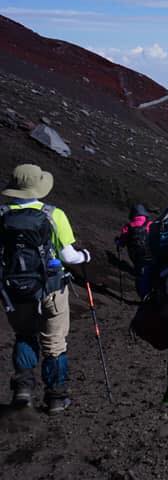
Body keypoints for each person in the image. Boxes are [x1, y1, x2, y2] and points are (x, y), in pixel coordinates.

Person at [0, 164, 92, 412]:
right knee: (54, 343)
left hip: (15, 292)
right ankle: (56, 397)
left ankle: (23, 390)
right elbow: (69, 257)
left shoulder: (2, 215)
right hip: (51, 290)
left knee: (24, 335)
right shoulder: (54, 214)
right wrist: (85, 256)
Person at [115, 203, 153, 298]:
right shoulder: (149, 224)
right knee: (150, 272)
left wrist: (117, 242)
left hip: (135, 255)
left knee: (139, 274)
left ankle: (143, 295)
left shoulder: (129, 226)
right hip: (149, 253)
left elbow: (121, 243)